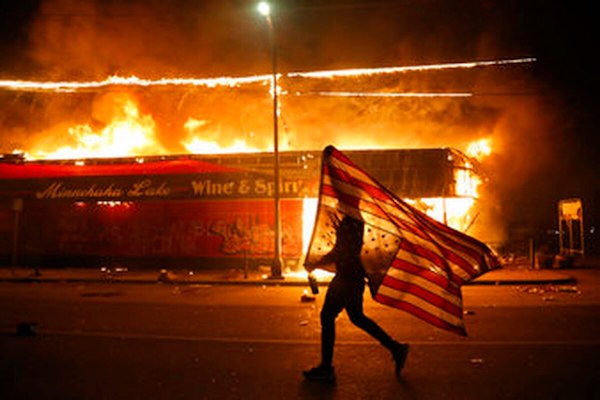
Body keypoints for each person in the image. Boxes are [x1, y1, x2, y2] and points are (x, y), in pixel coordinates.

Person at [303, 216, 409, 382]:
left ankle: (326, 368)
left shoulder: (351, 221)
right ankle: (395, 348)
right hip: (350, 276)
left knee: (329, 316)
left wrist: (316, 263)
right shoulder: (353, 219)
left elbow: (342, 251)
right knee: (356, 317)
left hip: (347, 277)